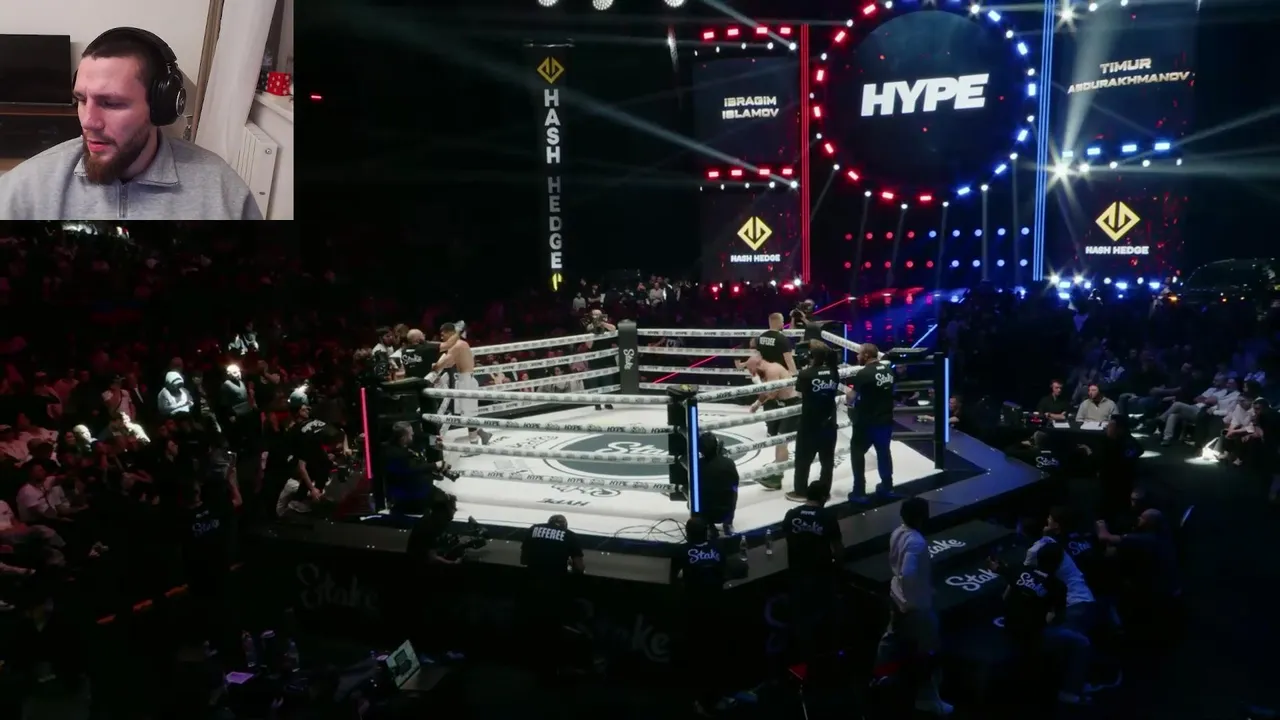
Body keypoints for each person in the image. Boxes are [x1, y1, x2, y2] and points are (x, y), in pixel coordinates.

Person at [0, 27, 259, 220]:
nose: (88, 122)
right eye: (81, 100)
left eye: (111, 103)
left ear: (160, 107)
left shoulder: (222, 193)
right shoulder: (26, 189)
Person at [875, 497, 952, 716]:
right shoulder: (916, 542)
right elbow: (908, 573)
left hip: (897, 598)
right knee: (929, 651)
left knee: (891, 639)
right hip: (914, 607)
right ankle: (927, 699)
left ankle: (881, 677)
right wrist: (913, 597)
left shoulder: (897, 533)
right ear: (922, 517)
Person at [989, 542, 1091, 706]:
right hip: (1034, 637)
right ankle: (1069, 692)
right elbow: (1058, 618)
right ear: (1058, 564)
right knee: (1081, 641)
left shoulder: (1018, 570)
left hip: (1010, 626)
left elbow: (997, 569)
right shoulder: (1058, 587)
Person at [672, 516, 743, 715]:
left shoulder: (681, 551)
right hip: (716, 610)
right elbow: (724, 572)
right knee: (714, 655)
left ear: (687, 534)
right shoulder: (717, 548)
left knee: (699, 657)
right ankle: (711, 699)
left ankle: (702, 700)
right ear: (707, 533)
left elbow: (674, 577)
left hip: (694, 611)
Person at [783, 482, 843, 666]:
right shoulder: (827, 517)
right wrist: (837, 567)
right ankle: (825, 661)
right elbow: (838, 549)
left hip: (797, 576)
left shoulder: (791, 515)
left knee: (801, 622)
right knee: (825, 621)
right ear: (824, 498)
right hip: (821, 576)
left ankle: (802, 661)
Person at [520, 515, 585, 672]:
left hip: (531, 587)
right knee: (551, 629)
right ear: (564, 525)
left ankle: (528, 662)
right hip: (554, 590)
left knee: (532, 626)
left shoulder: (533, 529)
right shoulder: (569, 535)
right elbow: (579, 568)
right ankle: (550, 666)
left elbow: (523, 560)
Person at [845, 343, 898, 503]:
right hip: (885, 419)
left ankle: (859, 490)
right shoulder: (888, 370)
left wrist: (848, 400)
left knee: (857, 453)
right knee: (884, 452)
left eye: (859, 354)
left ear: (866, 355)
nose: (857, 356)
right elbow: (892, 391)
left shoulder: (863, 373)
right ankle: (887, 487)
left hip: (866, 422)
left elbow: (851, 397)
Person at [789, 342, 841, 502]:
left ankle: (800, 491)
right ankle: (824, 491)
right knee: (827, 460)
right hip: (829, 422)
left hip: (810, 423)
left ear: (810, 357)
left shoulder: (806, 374)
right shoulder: (834, 372)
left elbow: (798, 394)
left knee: (803, 459)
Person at [430, 322, 493, 446]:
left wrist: (434, 366)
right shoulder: (461, 344)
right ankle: (483, 434)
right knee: (465, 414)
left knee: (468, 416)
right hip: (464, 380)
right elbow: (450, 363)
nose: (442, 338)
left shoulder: (457, 345)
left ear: (450, 333)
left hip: (466, 381)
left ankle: (474, 445)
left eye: (443, 335)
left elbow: (444, 363)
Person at [745, 354, 800, 467]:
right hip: (783, 404)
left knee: (782, 440)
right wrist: (757, 403)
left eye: (752, 370)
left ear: (757, 365)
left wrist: (758, 384)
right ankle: (779, 464)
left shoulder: (772, 371)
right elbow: (768, 393)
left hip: (792, 404)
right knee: (780, 439)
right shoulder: (768, 371)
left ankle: (779, 471)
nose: (752, 374)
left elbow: (772, 394)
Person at [382, 421, 441, 515]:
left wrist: (433, 439)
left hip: (413, 489)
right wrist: (434, 465)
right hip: (406, 496)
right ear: (403, 438)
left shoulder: (400, 443)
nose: (413, 435)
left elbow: (419, 437)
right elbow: (413, 469)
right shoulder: (395, 454)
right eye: (411, 434)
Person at [695, 432, 741, 536]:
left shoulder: (697, 465)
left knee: (695, 496)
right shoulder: (728, 463)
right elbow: (735, 483)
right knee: (733, 490)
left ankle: (710, 526)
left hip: (707, 512)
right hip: (726, 510)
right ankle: (728, 523)